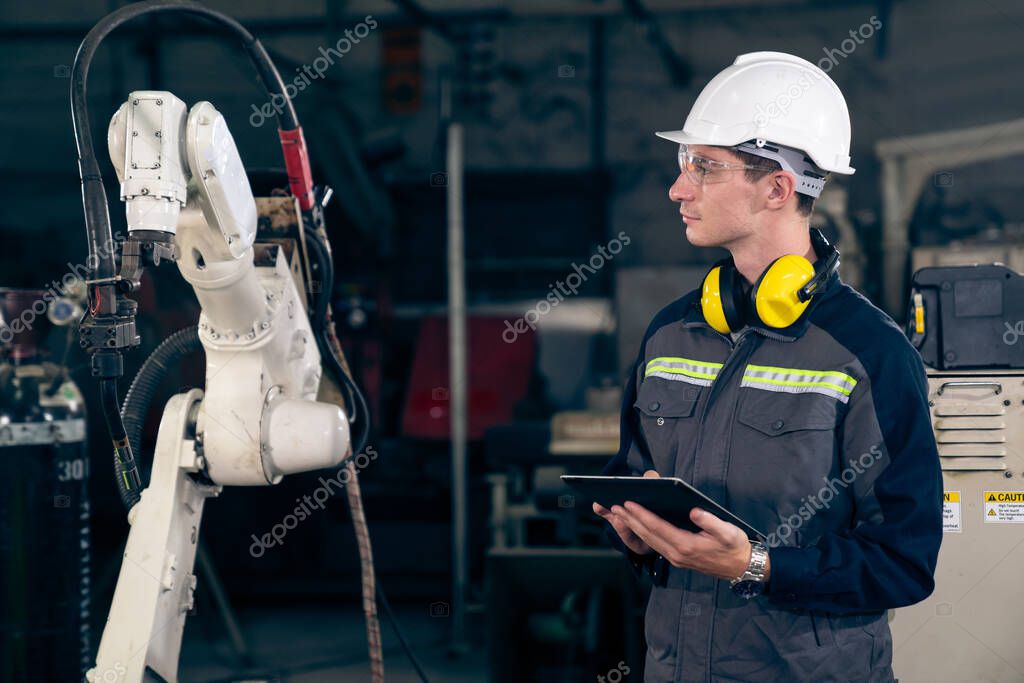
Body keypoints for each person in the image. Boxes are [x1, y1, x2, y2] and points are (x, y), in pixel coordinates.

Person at [595, 51, 943, 683]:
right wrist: (637, 533)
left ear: (779, 187)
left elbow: (905, 562)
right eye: (683, 164)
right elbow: (632, 475)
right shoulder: (671, 334)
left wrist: (757, 566)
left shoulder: (870, 354)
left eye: (703, 166)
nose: (678, 188)